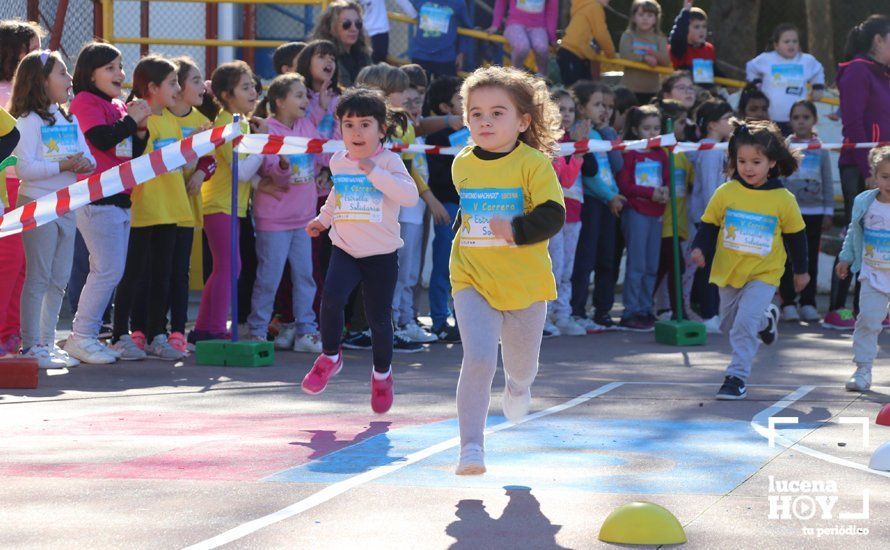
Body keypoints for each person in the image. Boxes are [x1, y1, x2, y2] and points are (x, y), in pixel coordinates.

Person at [449, 66, 564, 475]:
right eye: (475, 112)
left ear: (523, 121)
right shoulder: (461, 164)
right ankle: (471, 448)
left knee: (520, 367)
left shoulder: (533, 163)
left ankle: (518, 387)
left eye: (498, 113)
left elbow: (553, 214)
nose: (485, 121)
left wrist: (515, 230)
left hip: (525, 284)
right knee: (478, 358)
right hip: (472, 276)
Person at [302, 87, 419, 413]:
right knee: (332, 299)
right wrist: (323, 220)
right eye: (349, 124)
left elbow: (409, 197)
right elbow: (337, 196)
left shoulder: (390, 161)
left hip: (381, 254)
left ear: (382, 129)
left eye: (365, 124)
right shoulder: (339, 161)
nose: (356, 132)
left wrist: (376, 172)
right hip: (345, 248)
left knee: (378, 319)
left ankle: (382, 375)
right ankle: (330, 356)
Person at [690, 120, 808, 400]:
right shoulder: (726, 193)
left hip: (764, 274)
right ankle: (767, 321)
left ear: (771, 163)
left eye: (756, 161)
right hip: (729, 272)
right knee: (729, 325)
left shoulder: (783, 199)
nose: (748, 167)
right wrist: (700, 248)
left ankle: (736, 378)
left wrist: (801, 271)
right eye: (741, 160)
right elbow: (709, 225)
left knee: (743, 326)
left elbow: (797, 237)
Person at [64, 42, 151, 365]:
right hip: (96, 197)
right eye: (111, 68)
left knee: (111, 270)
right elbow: (100, 138)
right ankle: (83, 336)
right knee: (106, 270)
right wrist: (131, 121)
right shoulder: (85, 101)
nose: (120, 73)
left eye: (120, 66)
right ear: (90, 73)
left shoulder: (116, 104)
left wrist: (139, 127)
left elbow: (129, 151)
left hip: (120, 197)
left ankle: (87, 335)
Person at [11, 50, 94, 368]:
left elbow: (88, 157)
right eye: (62, 73)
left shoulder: (69, 118)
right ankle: (31, 346)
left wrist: (85, 163)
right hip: (37, 206)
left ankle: (47, 342)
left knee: (59, 277)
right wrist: (63, 164)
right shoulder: (28, 121)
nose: (70, 79)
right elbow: (25, 169)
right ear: (41, 80)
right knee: (39, 276)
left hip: (66, 206)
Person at [109, 55, 194, 361]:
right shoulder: (139, 118)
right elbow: (133, 159)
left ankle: (157, 334)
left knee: (163, 275)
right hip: (143, 209)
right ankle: (120, 335)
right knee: (132, 275)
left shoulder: (172, 118)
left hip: (171, 208)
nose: (178, 88)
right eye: (172, 83)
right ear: (152, 87)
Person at [247, 73, 323, 353]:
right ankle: (257, 330)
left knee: (305, 276)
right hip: (274, 220)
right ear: (279, 101)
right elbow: (271, 176)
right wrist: (281, 165)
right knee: (269, 277)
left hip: (304, 218)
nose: (305, 100)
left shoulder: (308, 126)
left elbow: (320, 160)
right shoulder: (270, 130)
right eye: (298, 95)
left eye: (305, 95)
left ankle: (306, 330)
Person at [191, 61, 265, 343]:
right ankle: (216, 328)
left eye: (253, 86)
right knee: (229, 268)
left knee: (228, 267)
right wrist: (264, 143)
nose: (253, 92)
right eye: (245, 87)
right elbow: (241, 171)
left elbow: (247, 173)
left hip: (233, 206)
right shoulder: (225, 124)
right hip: (219, 205)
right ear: (225, 95)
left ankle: (204, 327)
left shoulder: (242, 122)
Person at [825, 14, 890, 331]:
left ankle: (872, 306)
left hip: (885, 168)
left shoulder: (883, 74)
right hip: (861, 168)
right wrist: (870, 168)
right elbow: (853, 124)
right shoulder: (856, 72)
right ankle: (838, 308)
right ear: (878, 40)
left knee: (881, 238)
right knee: (856, 235)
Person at [160, 56, 216, 354]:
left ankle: (178, 332)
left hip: (185, 209)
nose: (203, 86)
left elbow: (212, 161)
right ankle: (151, 329)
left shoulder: (200, 121)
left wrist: (200, 172)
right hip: (158, 208)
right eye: (196, 80)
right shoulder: (160, 118)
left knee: (180, 271)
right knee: (155, 271)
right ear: (177, 86)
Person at [0, 19, 44, 359]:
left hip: (32, 184)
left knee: (25, 262)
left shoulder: (35, 96)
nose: (40, 57)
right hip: (7, 187)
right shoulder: (4, 92)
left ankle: (11, 333)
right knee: (9, 260)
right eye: (32, 49)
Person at [569, 81, 624, 332]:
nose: (604, 110)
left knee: (606, 259)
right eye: (597, 104)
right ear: (581, 107)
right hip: (593, 202)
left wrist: (608, 132)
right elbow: (590, 175)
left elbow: (616, 166)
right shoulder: (580, 133)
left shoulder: (601, 134)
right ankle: (577, 309)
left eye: (607, 106)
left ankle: (602, 311)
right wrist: (609, 196)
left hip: (608, 202)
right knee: (586, 259)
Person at [836, 146, 890, 392]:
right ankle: (863, 369)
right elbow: (853, 232)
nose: (889, 182)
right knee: (868, 320)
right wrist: (845, 258)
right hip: (872, 274)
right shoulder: (864, 202)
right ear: (874, 176)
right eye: (885, 176)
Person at [778, 100, 832, 323]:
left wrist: (828, 210)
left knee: (810, 259)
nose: (801, 122)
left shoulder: (821, 150)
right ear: (790, 121)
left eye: (806, 117)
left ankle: (808, 303)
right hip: (789, 213)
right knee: (787, 258)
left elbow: (828, 181)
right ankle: (788, 302)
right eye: (796, 117)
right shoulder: (785, 148)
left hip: (815, 212)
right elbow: (779, 180)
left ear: (814, 120)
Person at [617, 104, 670, 331]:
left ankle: (646, 308)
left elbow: (666, 179)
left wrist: (664, 191)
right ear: (637, 130)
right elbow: (625, 185)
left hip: (657, 213)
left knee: (651, 265)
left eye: (656, 128)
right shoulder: (630, 153)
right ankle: (631, 310)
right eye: (647, 128)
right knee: (637, 264)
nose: (652, 133)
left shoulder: (661, 154)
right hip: (637, 212)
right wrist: (650, 193)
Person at [424, 75, 464, 343]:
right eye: (461, 98)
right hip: (448, 207)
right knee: (443, 265)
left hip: (473, 207)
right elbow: (436, 177)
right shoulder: (437, 137)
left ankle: (464, 320)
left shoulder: (479, 132)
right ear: (444, 108)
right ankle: (439, 320)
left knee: (468, 268)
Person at [689, 98, 733, 334]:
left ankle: (716, 311)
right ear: (713, 125)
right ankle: (708, 314)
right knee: (707, 267)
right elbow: (709, 188)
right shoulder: (709, 150)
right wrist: (714, 217)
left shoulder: (722, 148)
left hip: (722, 218)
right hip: (710, 218)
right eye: (727, 119)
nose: (732, 123)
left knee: (719, 266)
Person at [547, 88, 586, 336]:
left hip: (574, 212)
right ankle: (544, 317)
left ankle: (563, 314)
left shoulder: (572, 141)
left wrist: (580, 148)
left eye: (571, 110)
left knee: (567, 269)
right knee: (554, 267)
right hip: (552, 215)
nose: (567, 115)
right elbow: (567, 179)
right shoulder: (548, 144)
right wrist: (579, 152)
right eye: (561, 109)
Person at [745, 23, 826, 136]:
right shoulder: (766, 59)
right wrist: (756, 84)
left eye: (795, 41)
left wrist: (818, 87)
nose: (791, 45)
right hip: (770, 117)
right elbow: (751, 67)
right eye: (786, 42)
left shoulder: (806, 60)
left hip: (796, 120)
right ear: (776, 45)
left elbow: (818, 71)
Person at [654, 99, 694, 320]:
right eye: (680, 122)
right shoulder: (659, 153)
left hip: (679, 223)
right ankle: (679, 312)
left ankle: (658, 308)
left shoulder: (682, 153)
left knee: (665, 267)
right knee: (671, 267)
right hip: (663, 223)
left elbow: (690, 184)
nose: (684, 126)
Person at [619, 0, 671, 105]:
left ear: (656, 19)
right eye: (641, 14)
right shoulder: (628, 35)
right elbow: (625, 54)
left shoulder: (660, 38)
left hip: (652, 91)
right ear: (633, 18)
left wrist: (653, 53)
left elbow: (666, 60)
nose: (645, 18)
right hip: (630, 90)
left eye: (650, 15)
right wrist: (644, 58)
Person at [311, 0, 373, 87]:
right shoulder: (324, 57)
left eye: (358, 23)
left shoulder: (363, 54)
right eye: (346, 24)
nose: (354, 29)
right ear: (331, 26)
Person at [487, 0, 558, 75]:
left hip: (539, 26)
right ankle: (516, 75)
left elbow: (552, 12)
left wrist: (552, 37)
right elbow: (501, 2)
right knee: (521, 47)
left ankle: (543, 77)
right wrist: (495, 25)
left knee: (542, 48)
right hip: (514, 24)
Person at [558, 0, 615, 87]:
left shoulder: (583, 5)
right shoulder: (595, 7)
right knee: (577, 92)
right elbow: (601, 33)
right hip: (572, 52)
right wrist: (610, 53)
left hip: (575, 54)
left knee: (585, 90)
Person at [409, 0, 472, 78]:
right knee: (416, 89)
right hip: (420, 54)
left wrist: (461, 53)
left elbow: (467, 28)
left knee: (446, 89)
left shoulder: (458, 3)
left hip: (445, 56)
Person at [668, 0, 717, 86]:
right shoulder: (680, 48)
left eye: (704, 26)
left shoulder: (709, 49)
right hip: (684, 89)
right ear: (686, 29)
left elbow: (714, 70)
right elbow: (677, 37)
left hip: (705, 92)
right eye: (696, 27)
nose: (701, 30)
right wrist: (686, 11)